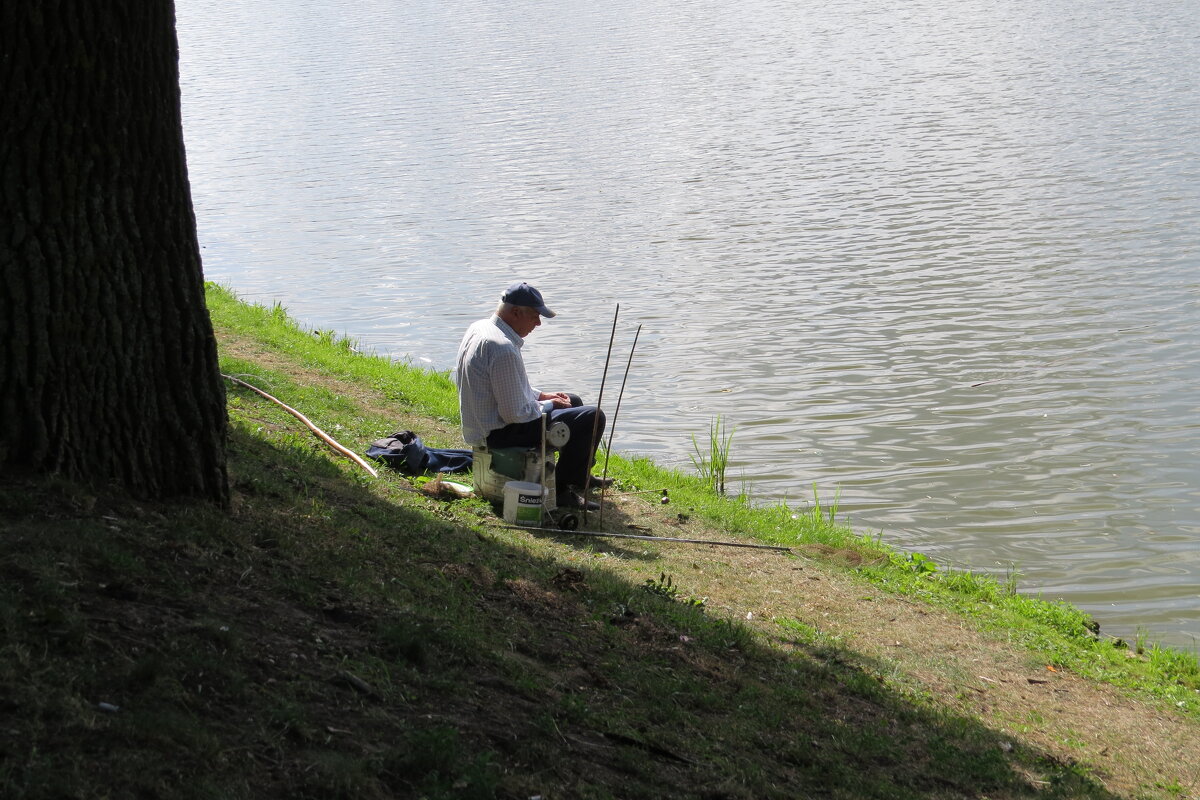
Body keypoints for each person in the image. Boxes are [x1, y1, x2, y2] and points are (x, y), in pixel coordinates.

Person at [454, 282, 608, 510]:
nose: (538, 323)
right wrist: (547, 404)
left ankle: (579, 475)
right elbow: (516, 414)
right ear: (516, 312)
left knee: (572, 401)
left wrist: (542, 395)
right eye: (535, 316)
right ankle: (563, 488)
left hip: (485, 421)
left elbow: (507, 385)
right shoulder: (502, 348)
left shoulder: (482, 327)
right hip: (497, 432)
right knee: (593, 417)